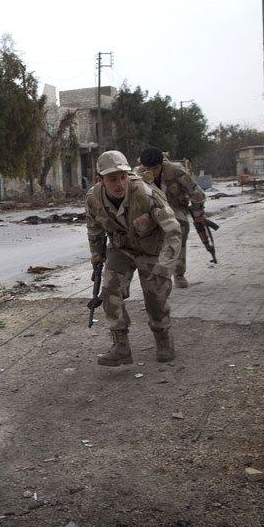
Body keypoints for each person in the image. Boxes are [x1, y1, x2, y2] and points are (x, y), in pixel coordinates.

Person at [85, 150, 182, 366]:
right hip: (122, 249)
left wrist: (165, 267)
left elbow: (173, 232)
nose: (120, 184)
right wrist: (96, 253)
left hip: (152, 251)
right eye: (112, 179)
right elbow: (94, 228)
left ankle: (163, 339)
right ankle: (121, 347)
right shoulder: (94, 198)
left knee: (155, 298)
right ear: (100, 179)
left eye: (123, 177)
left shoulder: (145, 194)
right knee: (110, 292)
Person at [136, 147, 208, 288]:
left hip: (175, 210)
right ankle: (156, 274)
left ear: (161, 164)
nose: (151, 172)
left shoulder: (176, 171)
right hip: (152, 213)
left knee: (178, 238)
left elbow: (196, 193)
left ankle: (179, 274)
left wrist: (198, 215)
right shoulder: (137, 175)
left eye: (155, 168)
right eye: (147, 168)